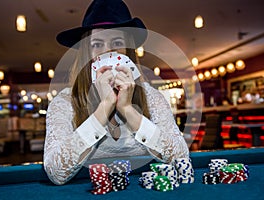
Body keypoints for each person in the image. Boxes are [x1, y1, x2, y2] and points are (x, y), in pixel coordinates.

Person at [43, 0, 189, 185]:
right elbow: (56, 173)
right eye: (97, 44)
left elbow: (181, 157)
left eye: (117, 42)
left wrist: (128, 110)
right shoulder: (64, 102)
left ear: (128, 52)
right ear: (87, 53)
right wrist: (104, 109)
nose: (107, 52)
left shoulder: (152, 97)